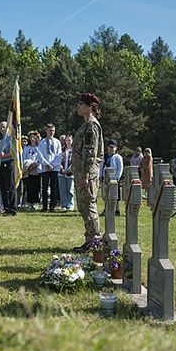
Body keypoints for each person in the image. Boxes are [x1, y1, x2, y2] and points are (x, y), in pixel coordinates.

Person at [71, 94, 104, 252]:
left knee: (89, 206)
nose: (78, 107)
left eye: (81, 104)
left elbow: (90, 152)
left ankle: (95, 241)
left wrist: (85, 175)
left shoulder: (91, 125)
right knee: (83, 206)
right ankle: (90, 239)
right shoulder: (86, 125)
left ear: (91, 107)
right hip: (82, 172)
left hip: (87, 173)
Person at [38, 123, 62, 211]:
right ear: (46, 131)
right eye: (50, 130)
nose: (51, 132)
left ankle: (52, 206)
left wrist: (53, 165)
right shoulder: (42, 142)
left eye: (53, 131)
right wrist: (47, 164)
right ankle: (44, 206)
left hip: (54, 168)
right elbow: (40, 155)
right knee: (44, 187)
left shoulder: (57, 142)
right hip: (45, 167)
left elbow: (59, 155)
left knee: (54, 187)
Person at [0, 121, 17, 216]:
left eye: (3, 127)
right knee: (3, 187)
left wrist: (4, 155)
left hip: (9, 163)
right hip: (1, 164)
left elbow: (13, 152)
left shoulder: (11, 138)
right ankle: (6, 207)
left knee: (10, 186)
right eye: (0, 128)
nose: (2, 129)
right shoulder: (1, 140)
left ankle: (12, 208)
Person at [22, 131, 42, 210]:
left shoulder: (39, 147)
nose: (32, 139)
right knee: (29, 186)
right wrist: (28, 165)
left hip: (37, 169)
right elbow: (24, 157)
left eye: (34, 137)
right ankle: (30, 203)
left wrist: (35, 164)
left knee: (36, 186)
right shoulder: (27, 148)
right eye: (31, 138)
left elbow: (41, 158)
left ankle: (36, 202)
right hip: (28, 169)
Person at [106, 139, 124, 215]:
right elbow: (101, 166)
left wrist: (117, 177)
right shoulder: (105, 156)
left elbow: (120, 168)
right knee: (106, 194)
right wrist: (101, 176)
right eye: (110, 147)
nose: (111, 148)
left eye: (113, 147)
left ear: (116, 148)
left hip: (115, 178)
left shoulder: (118, 157)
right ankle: (106, 208)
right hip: (106, 176)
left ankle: (117, 209)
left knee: (116, 195)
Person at [58, 135, 74, 210]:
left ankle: (70, 204)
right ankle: (64, 204)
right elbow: (59, 160)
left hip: (70, 172)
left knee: (70, 189)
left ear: (72, 141)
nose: (68, 142)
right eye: (67, 140)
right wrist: (61, 169)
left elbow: (74, 162)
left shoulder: (74, 151)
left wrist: (68, 169)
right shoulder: (62, 150)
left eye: (69, 140)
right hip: (61, 172)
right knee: (63, 189)